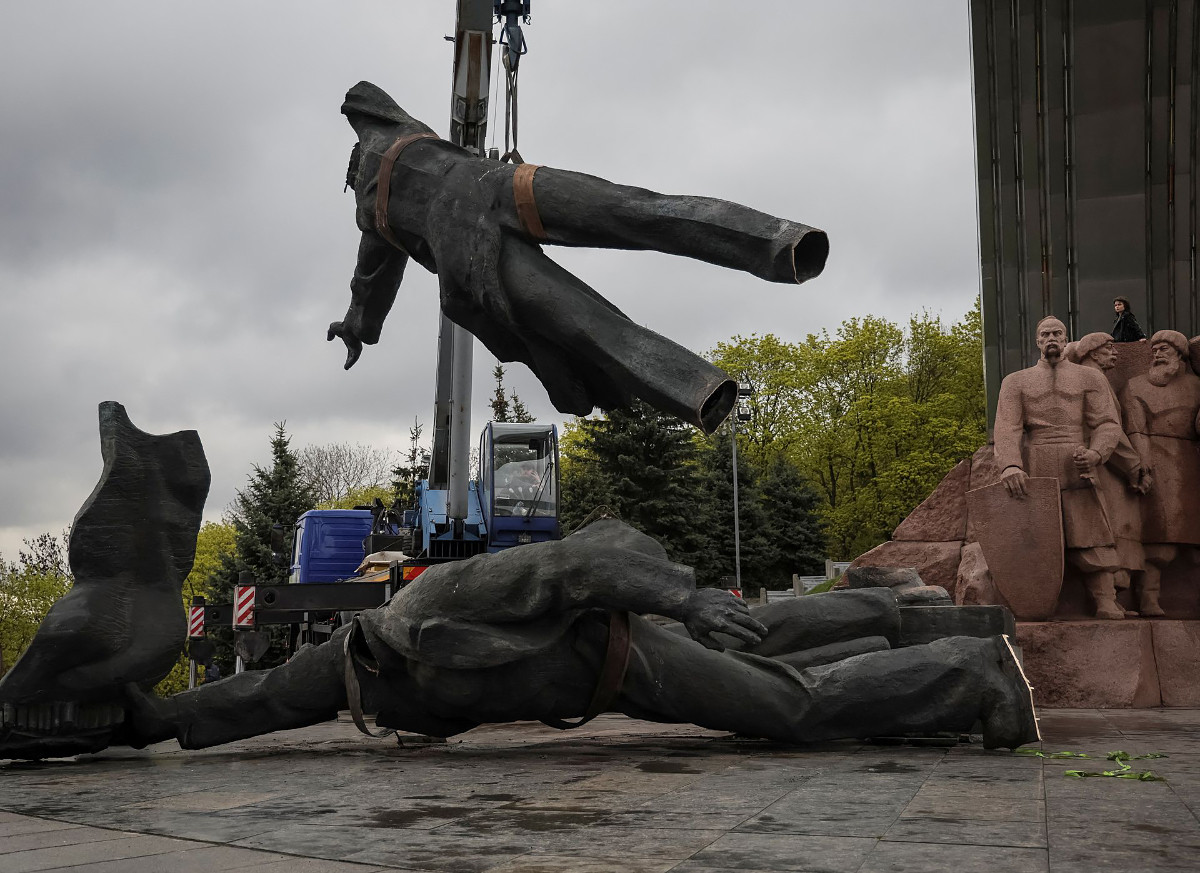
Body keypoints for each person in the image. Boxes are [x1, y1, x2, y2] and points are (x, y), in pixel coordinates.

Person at [116, 520, 1039, 755]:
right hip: (611, 678)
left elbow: (566, 569)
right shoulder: (352, 676)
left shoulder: (435, 597)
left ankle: (973, 675)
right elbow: (259, 698)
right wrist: (154, 720)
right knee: (766, 636)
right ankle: (889, 613)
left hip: (626, 649)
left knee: (783, 705)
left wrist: (683, 597)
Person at [327, 82, 829, 434]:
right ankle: (785, 243)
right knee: (637, 210)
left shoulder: (371, 213)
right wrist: (358, 321)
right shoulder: (398, 129)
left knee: (587, 324)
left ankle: (699, 390)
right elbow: (364, 95)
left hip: (470, 248)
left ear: (351, 178)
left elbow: (370, 278)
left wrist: (356, 325)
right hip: (497, 185)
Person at [994, 317, 1127, 619]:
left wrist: (1097, 454)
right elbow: (1007, 428)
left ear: (1066, 339)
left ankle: (1105, 599)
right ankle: (1035, 602)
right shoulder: (1015, 381)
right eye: (1045, 334)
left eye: (1057, 333)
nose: (1051, 338)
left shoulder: (1089, 378)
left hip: (1077, 460)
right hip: (1036, 463)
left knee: (1092, 532)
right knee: (1036, 540)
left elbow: (1107, 423)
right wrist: (1010, 466)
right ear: (1037, 341)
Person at [1119, 330, 1200, 615]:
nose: (1157, 354)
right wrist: (1142, 462)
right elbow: (1135, 428)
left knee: (1193, 540)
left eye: (1164, 349)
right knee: (1158, 538)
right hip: (1156, 458)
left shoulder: (1196, 386)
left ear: (1180, 354)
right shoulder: (1136, 386)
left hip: (1190, 462)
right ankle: (1148, 597)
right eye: (1154, 350)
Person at [1064, 333, 1150, 596]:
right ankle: (1108, 597)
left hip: (1095, 462)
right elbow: (1112, 434)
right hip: (1104, 466)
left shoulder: (1084, 378)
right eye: (1108, 348)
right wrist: (1134, 467)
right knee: (1110, 531)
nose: (1114, 352)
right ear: (1093, 352)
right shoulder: (1095, 379)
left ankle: (1111, 597)